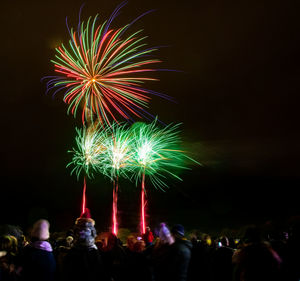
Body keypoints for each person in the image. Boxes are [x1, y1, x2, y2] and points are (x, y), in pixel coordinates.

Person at [61, 209, 108, 281]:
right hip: (91, 249)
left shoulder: (77, 226)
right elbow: (95, 235)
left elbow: (72, 233)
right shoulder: (92, 226)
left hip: (77, 249)